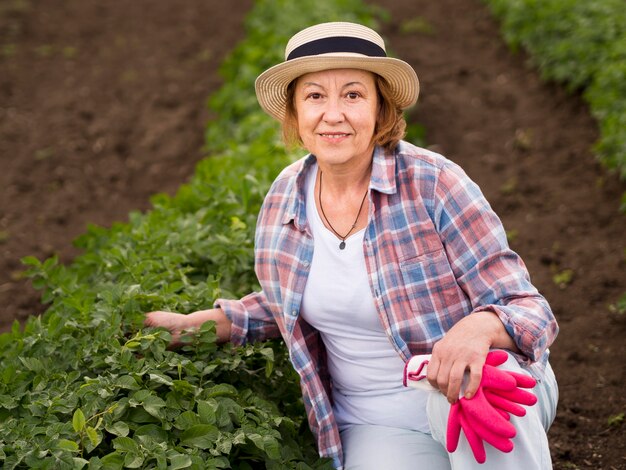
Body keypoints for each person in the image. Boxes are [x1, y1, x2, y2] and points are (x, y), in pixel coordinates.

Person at [145, 22, 559, 470]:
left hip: (474, 388)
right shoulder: (284, 198)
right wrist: (199, 325)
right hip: (377, 423)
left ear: (380, 108)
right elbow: (288, 300)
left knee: (481, 392)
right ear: (295, 114)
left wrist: (476, 330)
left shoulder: (433, 182)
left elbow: (527, 307)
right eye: (315, 96)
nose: (333, 113)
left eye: (353, 95)